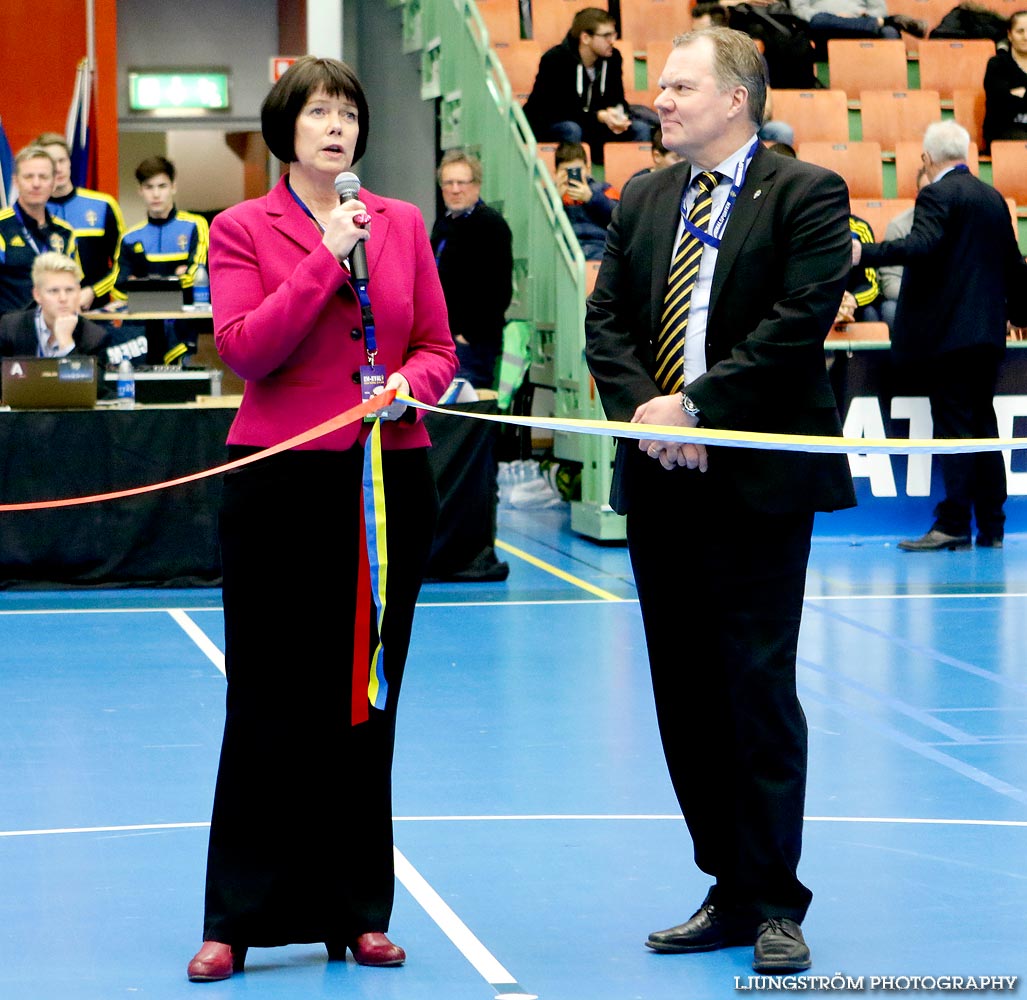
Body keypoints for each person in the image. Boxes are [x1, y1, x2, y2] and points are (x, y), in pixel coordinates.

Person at [585, 27, 855, 975]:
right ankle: (728, 885)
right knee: (685, 693)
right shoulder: (644, 195)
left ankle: (776, 899)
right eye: (662, 86)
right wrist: (651, 415)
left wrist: (700, 407)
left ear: (734, 99)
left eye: (679, 86)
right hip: (660, 476)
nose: (660, 100)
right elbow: (606, 320)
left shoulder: (807, 193)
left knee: (754, 687)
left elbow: (795, 326)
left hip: (754, 484)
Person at [185, 56, 457, 983]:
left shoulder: (406, 223)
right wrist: (322, 256)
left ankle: (357, 909)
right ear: (285, 130)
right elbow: (246, 350)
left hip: (389, 481)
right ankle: (236, 918)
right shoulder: (239, 229)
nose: (336, 126)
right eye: (317, 113)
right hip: (280, 487)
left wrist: (405, 392)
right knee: (264, 700)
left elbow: (436, 346)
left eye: (347, 112)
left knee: (366, 699)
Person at [855, 120, 1027, 550]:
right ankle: (992, 526)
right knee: (984, 431)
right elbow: (1013, 263)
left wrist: (865, 252)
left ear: (927, 159)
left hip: (949, 339)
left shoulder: (936, 193)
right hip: (987, 337)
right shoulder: (991, 198)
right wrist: (1020, 313)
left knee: (955, 431)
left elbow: (919, 246)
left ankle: (952, 524)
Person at [110, 156, 209, 364]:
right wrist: (174, 278)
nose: (156, 194)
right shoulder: (129, 237)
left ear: (173, 187)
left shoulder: (195, 225)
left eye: (162, 186)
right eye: (149, 187)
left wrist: (141, 283)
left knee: (178, 391)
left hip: (181, 328)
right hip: (140, 332)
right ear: (140, 190)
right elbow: (119, 287)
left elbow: (196, 274)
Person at [523, 6, 650, 163]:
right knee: (571, 129)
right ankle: (576, 177)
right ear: (585, 38)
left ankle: (635, 181)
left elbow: (617, 97)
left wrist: (617, 113)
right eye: (606, 36)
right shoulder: (555, 60)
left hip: (594, 125)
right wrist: (599, 116)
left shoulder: (613, 58)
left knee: (640, 129)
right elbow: (555, 110)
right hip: (551, 126)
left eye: (614, 34)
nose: (612, 41)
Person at [430, 148, 513, 388]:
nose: (455, 189)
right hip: (444, 341)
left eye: (462, 182)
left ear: (476, 185)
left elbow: (499, 291)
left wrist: (467, 336)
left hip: (472, 345)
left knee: (467, 416)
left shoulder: (490, 225)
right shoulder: (443, 225)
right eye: (448, 183)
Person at [36, 131, 124, 310]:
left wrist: (94, 291)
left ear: (70, 162)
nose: (58, 168)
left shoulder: (103, 205)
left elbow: (124, 264)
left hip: (95, 313)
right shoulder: (32, 211)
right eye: (51, 163)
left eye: (62, 161)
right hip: (45, 318)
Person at [0, 146, 78, 316]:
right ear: (16, 181)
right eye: (28, 177)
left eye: (43, 177)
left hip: (55, 331)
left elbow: (73, 283)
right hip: (8, 334)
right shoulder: (1, 227)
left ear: (53, 182)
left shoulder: (66, 233)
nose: (36, 184)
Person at [0, 251, 107, 357]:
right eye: (54, 291)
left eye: (69, 290)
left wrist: (67, 345)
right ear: (37, 295)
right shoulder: (9, 328)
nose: (63, 298)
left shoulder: (94, 337)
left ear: (78, 292)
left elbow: (88, 374)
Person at [877, 167, 929, 330]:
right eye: (928, 191)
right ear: (917, 195)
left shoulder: (962, 224)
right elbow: (890, 284)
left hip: (953, 303)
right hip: (913, 300)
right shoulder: (899, 226)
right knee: (890, 309)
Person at [554, 140, 620, 260]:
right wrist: (555, 199)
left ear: (588, 169)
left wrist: (591, 198)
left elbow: (620, 219)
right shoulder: (547, 195)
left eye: (577, 171)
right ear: (556, 172)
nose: (571, 175)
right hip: (564, 252)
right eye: (565, 171)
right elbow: (538, 226)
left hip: (600, 247)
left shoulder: (604, 189)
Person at [983, 10, 1027, 151]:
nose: (1026, 37)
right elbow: (1000, 105)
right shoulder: (997, 64)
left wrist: (1020, 94)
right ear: (1010, 35)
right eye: (1020, 31)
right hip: (1003, 130)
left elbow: (1009, 101)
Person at [789, 0, 925, 44]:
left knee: (890, 32)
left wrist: (863, 16)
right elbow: (798, 9)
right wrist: (835, 18)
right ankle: (891, 21)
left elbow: (879, 9)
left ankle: (893, 88)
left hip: (860, 24)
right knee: (818, 20)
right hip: (824, 27)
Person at [623, 124, 683, 190]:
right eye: (677, 158)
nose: (684, 163)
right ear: (657, 156)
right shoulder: (639, 184)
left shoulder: (687, 180)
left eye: (688, 158)